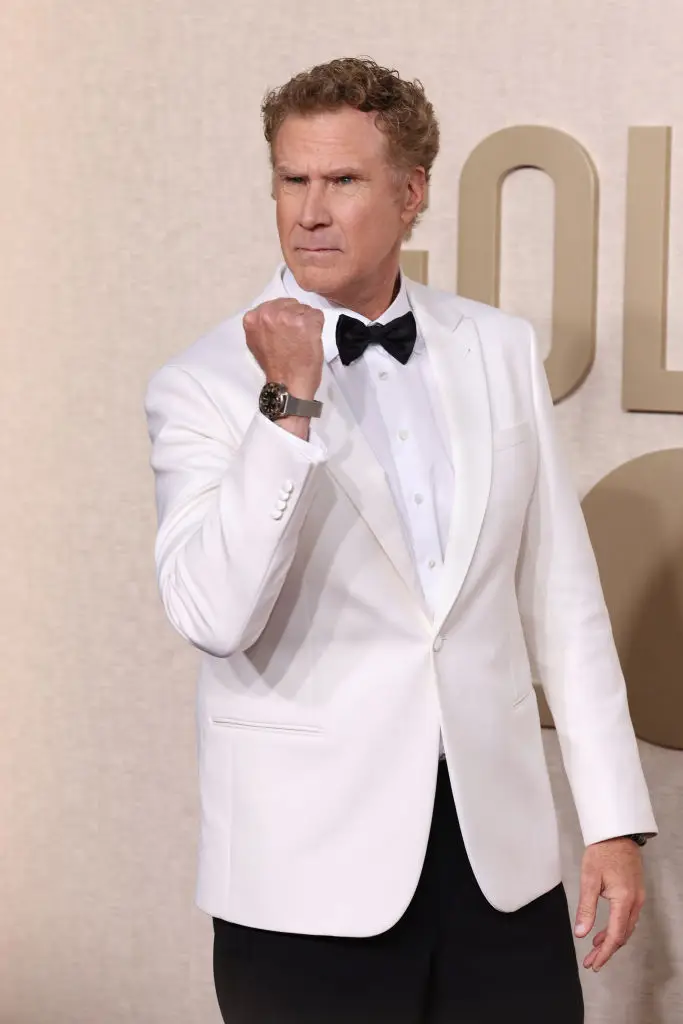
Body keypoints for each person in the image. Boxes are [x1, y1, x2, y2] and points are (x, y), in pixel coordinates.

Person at [144, 57, 657, 1024]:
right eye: (292, 180)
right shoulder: (200, 383)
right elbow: (214, 615)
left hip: (497, 864)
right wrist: (286, 404)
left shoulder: (498, 347)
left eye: (342, 180)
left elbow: (560, 597)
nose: (309, 212)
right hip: (305, 874)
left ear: (411, 193)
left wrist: (611, 822)